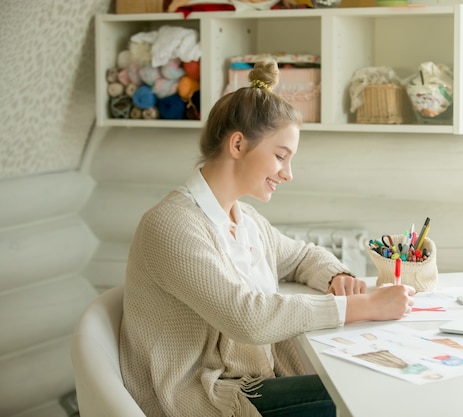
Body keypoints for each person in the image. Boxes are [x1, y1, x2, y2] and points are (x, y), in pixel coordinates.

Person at [119, 57, 416, 417]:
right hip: (208, 399)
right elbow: (247, 318)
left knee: (376, 380)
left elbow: (302, 257)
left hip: (255, 383)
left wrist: (338, 278)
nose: (288, 174)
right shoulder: (170, 226)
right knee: (364, 393)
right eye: (280, 156)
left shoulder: (246, 220)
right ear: (238, 145)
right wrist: (361, 307)